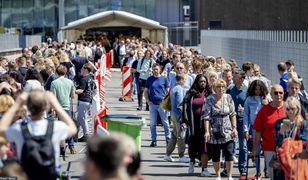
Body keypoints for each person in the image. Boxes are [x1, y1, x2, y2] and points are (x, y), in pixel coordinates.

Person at [0, 91, 77, 179]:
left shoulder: (18, 128)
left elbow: (1, 128)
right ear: (46, 107)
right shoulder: (56, 126)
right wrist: (56, 104)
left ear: (28, 107)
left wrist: (17, 104)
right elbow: (73, 129)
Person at [203, 79, 238, 180]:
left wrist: (234, 128)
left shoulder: (228, 97)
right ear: (214, 88)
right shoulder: (209, 99)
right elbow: (206, 116)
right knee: (216, 154)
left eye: (223, 87)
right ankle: (218, 175)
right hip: (215, 131)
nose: (221, 89)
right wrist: (206, 131)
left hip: (227, 130)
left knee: (229, 153)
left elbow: (232, 114)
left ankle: (229, 175)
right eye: (218, 87)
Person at [252, 84, 286, 180]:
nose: (279, 95)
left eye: (281, 93)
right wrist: (254, 149)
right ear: (271, 94)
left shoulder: (289, 108)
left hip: (286, 149)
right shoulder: (264, 111)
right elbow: (258, 131)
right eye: (276, 93)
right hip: (269, 149)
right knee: (273, 176)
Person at [181, 74, 213, 176]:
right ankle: (192, 162)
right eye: (200, 82)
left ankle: (204, 169)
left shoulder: (209, 94)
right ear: (196, 82)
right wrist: (184, 122)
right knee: (192, 147)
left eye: (204, 81)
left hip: (205, 126)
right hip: (192, 126)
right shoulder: (190, 94)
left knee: (205, 147)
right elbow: (184, 109)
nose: (202, 83)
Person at [274, 97, 308, 179]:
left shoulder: (303, 124)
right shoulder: (279, 123)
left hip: (297, 160)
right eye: (288, 109)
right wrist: (281, 132)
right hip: (283, 159)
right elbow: (278, 143)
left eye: (292, 109)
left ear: (298, 109)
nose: (290, 111)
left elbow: (304, 142)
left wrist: (290, 142)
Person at [243, 80, 269, 177]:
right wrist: (245, 129)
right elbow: (245, 115)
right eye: (255, 90)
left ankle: (267, 169)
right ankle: (258, 171)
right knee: (256, 150)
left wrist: (267, 104)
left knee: (267, 149)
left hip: (266, 128)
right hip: (255, 128)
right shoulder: (249, 99)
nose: (257, 91)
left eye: (259, 89)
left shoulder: (267, 98)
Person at [51, 65, 76, 154]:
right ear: (65, 72)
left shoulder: (54, 83)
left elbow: (53, 97)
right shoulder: (70, 82)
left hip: (58, 107)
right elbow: (73, 96)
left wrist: (53, 109)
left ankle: (62, 148)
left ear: (56, 72)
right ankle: (71, 146)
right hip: (67, 107)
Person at [164, 75, 189, 163]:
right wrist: (184, 118)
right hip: (179, 115)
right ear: (181, 80)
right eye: (184, 79)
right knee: (181, 135)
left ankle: (168, 154)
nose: (185, 81)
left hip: (173, 115)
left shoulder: (174, 88)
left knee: (174, 135)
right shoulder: (179, 89)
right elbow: (180, 104)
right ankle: (181, 156)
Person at [144, 64, 171, 147]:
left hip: (162, 104)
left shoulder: (164, 79)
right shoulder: (149, 79)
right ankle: (154, 140)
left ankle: (168, 139)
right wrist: (148, 101)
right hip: (153, 104)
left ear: (160, 70)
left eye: (157, 69)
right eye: (154, 69)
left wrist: (167, 102)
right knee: (152, 123)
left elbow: (168, 92)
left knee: (165, 123)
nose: (155, 71)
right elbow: (145, 91)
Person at [227, 69, 248, 175]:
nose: (233, 78)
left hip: (242, 121)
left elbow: (250, 106)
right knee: (228, 145)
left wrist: (244, 109)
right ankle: (227, 168)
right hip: (230, 120)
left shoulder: (247, 91)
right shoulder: (230, 89)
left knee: (243, 146)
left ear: (242, 79)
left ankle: (242, 168)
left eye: (236, 76)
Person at [75, 63, 97, 141]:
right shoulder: (91, 78)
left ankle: (86, 134)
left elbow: (81, 90)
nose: (81, 70)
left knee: (83, 118)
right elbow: (95, 89)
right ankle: (74, 134)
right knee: (79, 119)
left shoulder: (83, 79)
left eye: (82, 69)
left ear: (85, 70)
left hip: (83, 100)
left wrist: (73, 91)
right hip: (88, 100)